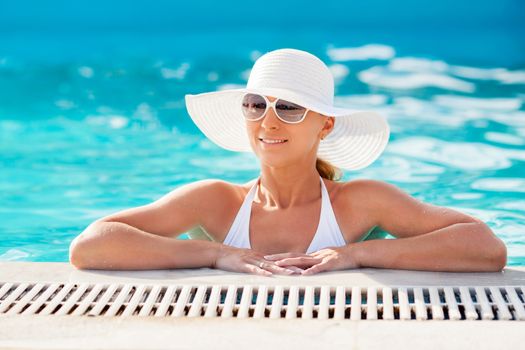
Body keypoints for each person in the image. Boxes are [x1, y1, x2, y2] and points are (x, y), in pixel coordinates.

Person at [69, 48, 507, 275]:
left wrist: (356, 256)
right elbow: (91, 245)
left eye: (291, 108)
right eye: (256, 104)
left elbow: (486, 248)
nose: (268, 121)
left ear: (325, 125)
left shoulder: (360, 201)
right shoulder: (214, 201)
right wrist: (214, 255)